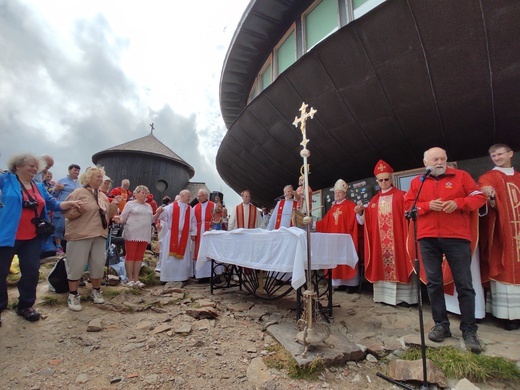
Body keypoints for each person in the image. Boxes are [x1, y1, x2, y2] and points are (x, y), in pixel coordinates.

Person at [404, 147, 486, 353]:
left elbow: (479, 197)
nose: (439, 162)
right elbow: (408, 207)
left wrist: (458, 204)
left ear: (447, 160)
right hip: (427, 237)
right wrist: (428, 206)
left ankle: (469, 329)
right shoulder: (418, 182)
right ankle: (441, 325)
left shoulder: (461, 176)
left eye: (442, 158)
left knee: (464, 284)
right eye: (434, 159)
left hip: (457, 237)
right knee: (433, 283)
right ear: (426, 163)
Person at [0, 153, 82, 325]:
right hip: (7, 235)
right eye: (30, 165)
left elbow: (53, 204)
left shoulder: (38, 187)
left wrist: (71, 204)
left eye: (36, 166)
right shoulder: (6, 180)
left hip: (32, 237)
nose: (34, 169)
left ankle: (26, 306)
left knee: (31, 272)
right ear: (17, 166)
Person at [63, 166, 120, 311]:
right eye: (98, 177)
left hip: (99, 234)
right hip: (80, 234)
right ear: (88, 178)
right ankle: (73, 295)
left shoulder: (102, 196)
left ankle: (96, 291)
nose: (101, 180)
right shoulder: (78, 192)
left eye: (102, 177)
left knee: (98, 263)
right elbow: (67, 213)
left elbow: (108, 216)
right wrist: (77, 209)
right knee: (76, 264)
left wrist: (114, 204)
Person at [360, 160, 416, 306]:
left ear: (391, 179)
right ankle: (384, 297)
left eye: (386, 179)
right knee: (381, 263)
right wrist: (361, 213)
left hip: (398, 240)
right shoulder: (373, 201)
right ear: (377, 181)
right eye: (381, 180)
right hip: (381, 244)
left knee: (401, 263)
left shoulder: (402, 196)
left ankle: (405, 299)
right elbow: (366, 222)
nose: (384, 182)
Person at [478, 143, 520, 330]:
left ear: (510, 154)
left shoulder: (519, 177)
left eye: (500, 154)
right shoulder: (489, 177)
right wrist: (490, 196)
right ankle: (507, 316)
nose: (497, 157)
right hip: (503, 233)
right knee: (504, 268)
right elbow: (485, 195)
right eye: (493, 155)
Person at [316, 179, 361, 292]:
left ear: (345, 193)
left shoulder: (351, 206)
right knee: (336, 260)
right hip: (334, 241)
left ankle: (352, 285)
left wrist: (360, 214)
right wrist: (312, 223)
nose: (337, 194)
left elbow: (358, 221)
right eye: (335, 193)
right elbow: (324, 223)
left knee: (347, 258)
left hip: (346, 240)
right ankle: (340, 283)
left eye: (339, 192)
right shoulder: (333, 208)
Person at [113, 185, 153, 288]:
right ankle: (129, 278)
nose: (144, 195)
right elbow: (123, 218)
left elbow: (151, 220)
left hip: (144, 234)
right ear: (136, 194)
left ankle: (136, 278)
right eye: (142, 192)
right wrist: (118, 220)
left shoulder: (149, 206)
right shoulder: (130, 204)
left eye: (145, 193)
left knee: (139, 257)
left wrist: (158, 214)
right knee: (130, 255)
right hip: (132, 233)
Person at [154, 190, 196, 282]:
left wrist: (193, 233)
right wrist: (159, 212)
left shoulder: (190, 209)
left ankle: (182, 277)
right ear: (181, 196)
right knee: (170, 257)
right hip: (172, 235)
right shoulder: (172, 206)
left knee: (183, 257)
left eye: (190, 196)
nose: (189, 198)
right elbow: (163, 216)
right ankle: (168, 277)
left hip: (185, 236)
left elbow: (193, 222)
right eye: (187, 196)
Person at [51, 164, 81, 254]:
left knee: (72, 228)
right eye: (75, 170)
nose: (77, 172)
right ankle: (58, 246)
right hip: (62, 207)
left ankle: (69, 247)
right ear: (69, 170)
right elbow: (53, 195)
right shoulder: (62, 181)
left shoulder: (80, 184)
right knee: (59, 226)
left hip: (75, 209)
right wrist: (56, 189)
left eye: (78, 170)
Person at [192, 189, 215, 282]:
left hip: (209, 230)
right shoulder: (195, 207)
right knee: (199, 251)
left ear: (205, 196)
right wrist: (193, 232)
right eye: (198, 196)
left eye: (200, 196)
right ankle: (201, 275)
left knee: (210, 251)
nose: (198, 198)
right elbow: (192, 221)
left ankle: (212, 274)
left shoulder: (213, 205)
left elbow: (218, 217)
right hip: (198, 231)